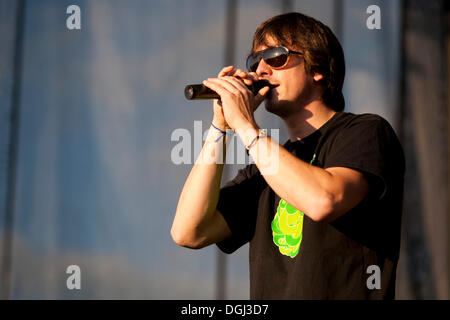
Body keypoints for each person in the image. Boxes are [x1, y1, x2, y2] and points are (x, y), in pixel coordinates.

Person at [171, 12, 405, 299]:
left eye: (276, 57)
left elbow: (324, 200)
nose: (261, 70)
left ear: (317, 67)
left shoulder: (365, 131)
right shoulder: (263, 170)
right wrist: (221, 126)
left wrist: (246, 125)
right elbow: (189, 232)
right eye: (255, 61)